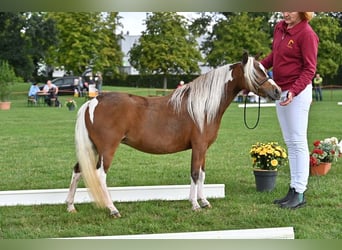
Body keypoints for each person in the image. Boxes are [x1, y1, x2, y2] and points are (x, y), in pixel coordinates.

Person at [261, 12, 319, 209]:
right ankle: (293, 189)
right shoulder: (279, 27)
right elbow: (275, 56)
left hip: (298, 92)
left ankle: (300, 193)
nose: (286, 13)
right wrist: (257, 67)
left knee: (298, 141)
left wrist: (293, 91)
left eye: (291, 10)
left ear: (303, 12)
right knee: (290, 142)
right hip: (280, 89)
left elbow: (310, 69)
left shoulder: (307, 34)